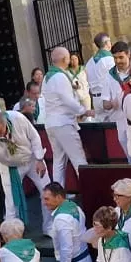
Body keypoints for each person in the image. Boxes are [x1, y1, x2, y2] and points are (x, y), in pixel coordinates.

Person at [0, 109, 46, 222]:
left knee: (46, 191)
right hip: (9, 166)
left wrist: (39, 159)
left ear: (5, 123)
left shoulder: (18, 118)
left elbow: (34, 137)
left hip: (33, 159)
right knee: (11, 202)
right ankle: (12, 234)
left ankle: (49, 228)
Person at [39, 47, 90, 185]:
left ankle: (58, 194)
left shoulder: (47, 77)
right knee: (79, 160)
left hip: (51, 123)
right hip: (63, 123)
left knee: (59, 161)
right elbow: (67, 100)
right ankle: (89, 194)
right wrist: (83, 110)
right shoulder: (60, 77)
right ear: (64, 59)